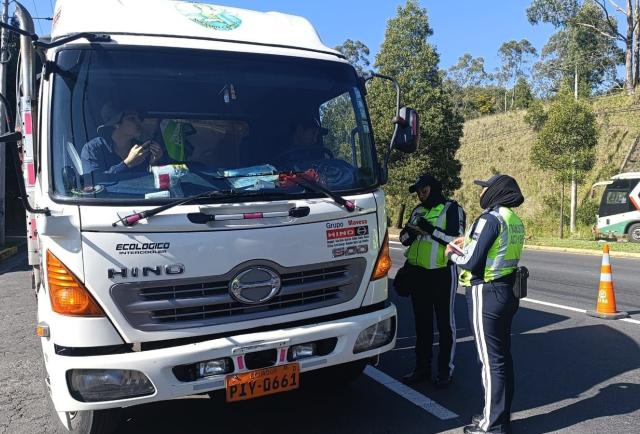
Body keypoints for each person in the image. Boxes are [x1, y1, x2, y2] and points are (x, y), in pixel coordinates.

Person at [445, 174, 525, 434]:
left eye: (484, 188)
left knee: (490, 361)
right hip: (506, 291)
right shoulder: (512, 219)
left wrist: (452, 253)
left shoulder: (489, 218)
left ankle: (492, 425)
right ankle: (499, 416)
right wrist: (468, 242)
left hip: (486, 292)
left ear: (495, 191)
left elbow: (471, 261)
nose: (481, 193)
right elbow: (493, 249)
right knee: (501, 358)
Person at [399, 173, 466, 387]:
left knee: (445, 324)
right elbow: (403, 239)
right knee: (422, 324)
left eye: (424, 190)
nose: (420, 195)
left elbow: (457, 241)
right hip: (418, 274)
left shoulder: (451, 209)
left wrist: (430, 230)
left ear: (434, 189)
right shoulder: (417, 210)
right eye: (418, 192)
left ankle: (445, 371)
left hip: (442, 273)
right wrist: (412, 233)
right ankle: (422, 368)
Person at [81, 103, 164, 178]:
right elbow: (94, 181)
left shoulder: (142, 149)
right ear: (116, 124)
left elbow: (148, 181)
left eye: (139, 118)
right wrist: (127, 164)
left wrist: (153, 162)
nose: (139, 121)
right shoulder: (93, 149)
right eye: (132, 118)